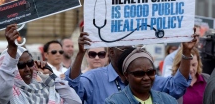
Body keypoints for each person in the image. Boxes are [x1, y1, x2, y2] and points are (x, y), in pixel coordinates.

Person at [65, 29, 198, 104]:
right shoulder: (94, 78)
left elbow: (177, 86)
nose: (130, 52)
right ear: (111, 52)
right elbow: (72, 90)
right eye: (124, 48)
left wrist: (186, 53)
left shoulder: (147, 79)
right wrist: (81, 53)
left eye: (132, 47)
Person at [0, 24, 82, 104]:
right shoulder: (6, 94)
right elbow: (4, 83)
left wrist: (50, 76)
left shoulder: (44, 87)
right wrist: (11, 49)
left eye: (30, 63)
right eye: (21, 66)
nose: (27, 69)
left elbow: (75, 101)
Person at [105, 47, 178, 104]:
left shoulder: (168, 101)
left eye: (150, 72)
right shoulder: (114, 102)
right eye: (139, 74)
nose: (146, 78)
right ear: (126, 75)